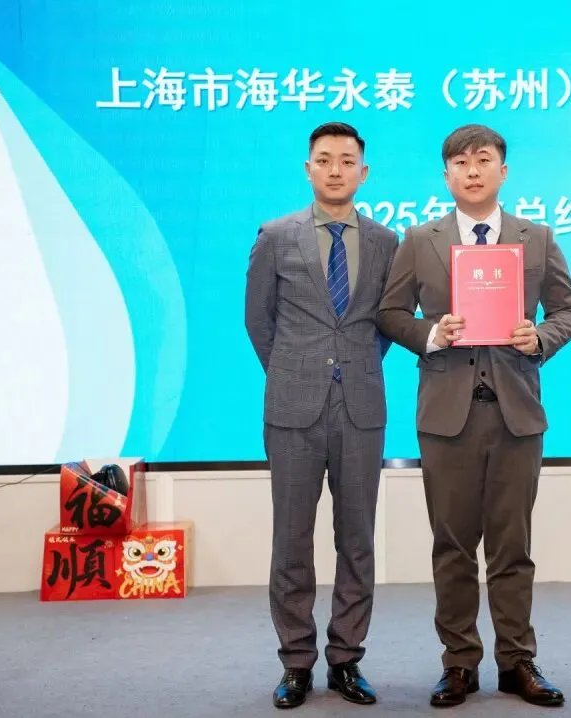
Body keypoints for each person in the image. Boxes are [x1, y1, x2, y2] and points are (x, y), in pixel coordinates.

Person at [376, 124, 571, 707]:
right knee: (452, 547)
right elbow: (390, 314)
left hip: (517, 416)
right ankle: (459, 664)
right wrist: (431, 333)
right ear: (446, 176)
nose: (472, 171)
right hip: (448, 418)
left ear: (503, 170)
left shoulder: (536, 238)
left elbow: (570, 310)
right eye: (461, 163)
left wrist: (539, 337)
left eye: (483, 160)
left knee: (512, 548)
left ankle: (518, 662)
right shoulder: (420, 240)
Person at [245, 121, 399, 709]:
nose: (336, 169)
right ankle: (295, 663)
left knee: (357, 539)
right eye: (325, 159)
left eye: (347, 160)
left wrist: (350, 366)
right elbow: (259, 321)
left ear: (363, 172)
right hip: (293, 408)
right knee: (291, 540)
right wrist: (296, 370)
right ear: (308, 168)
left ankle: (346, 660)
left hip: (360, 407)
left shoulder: (386, 242)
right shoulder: (275, 236)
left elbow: (385, 325)